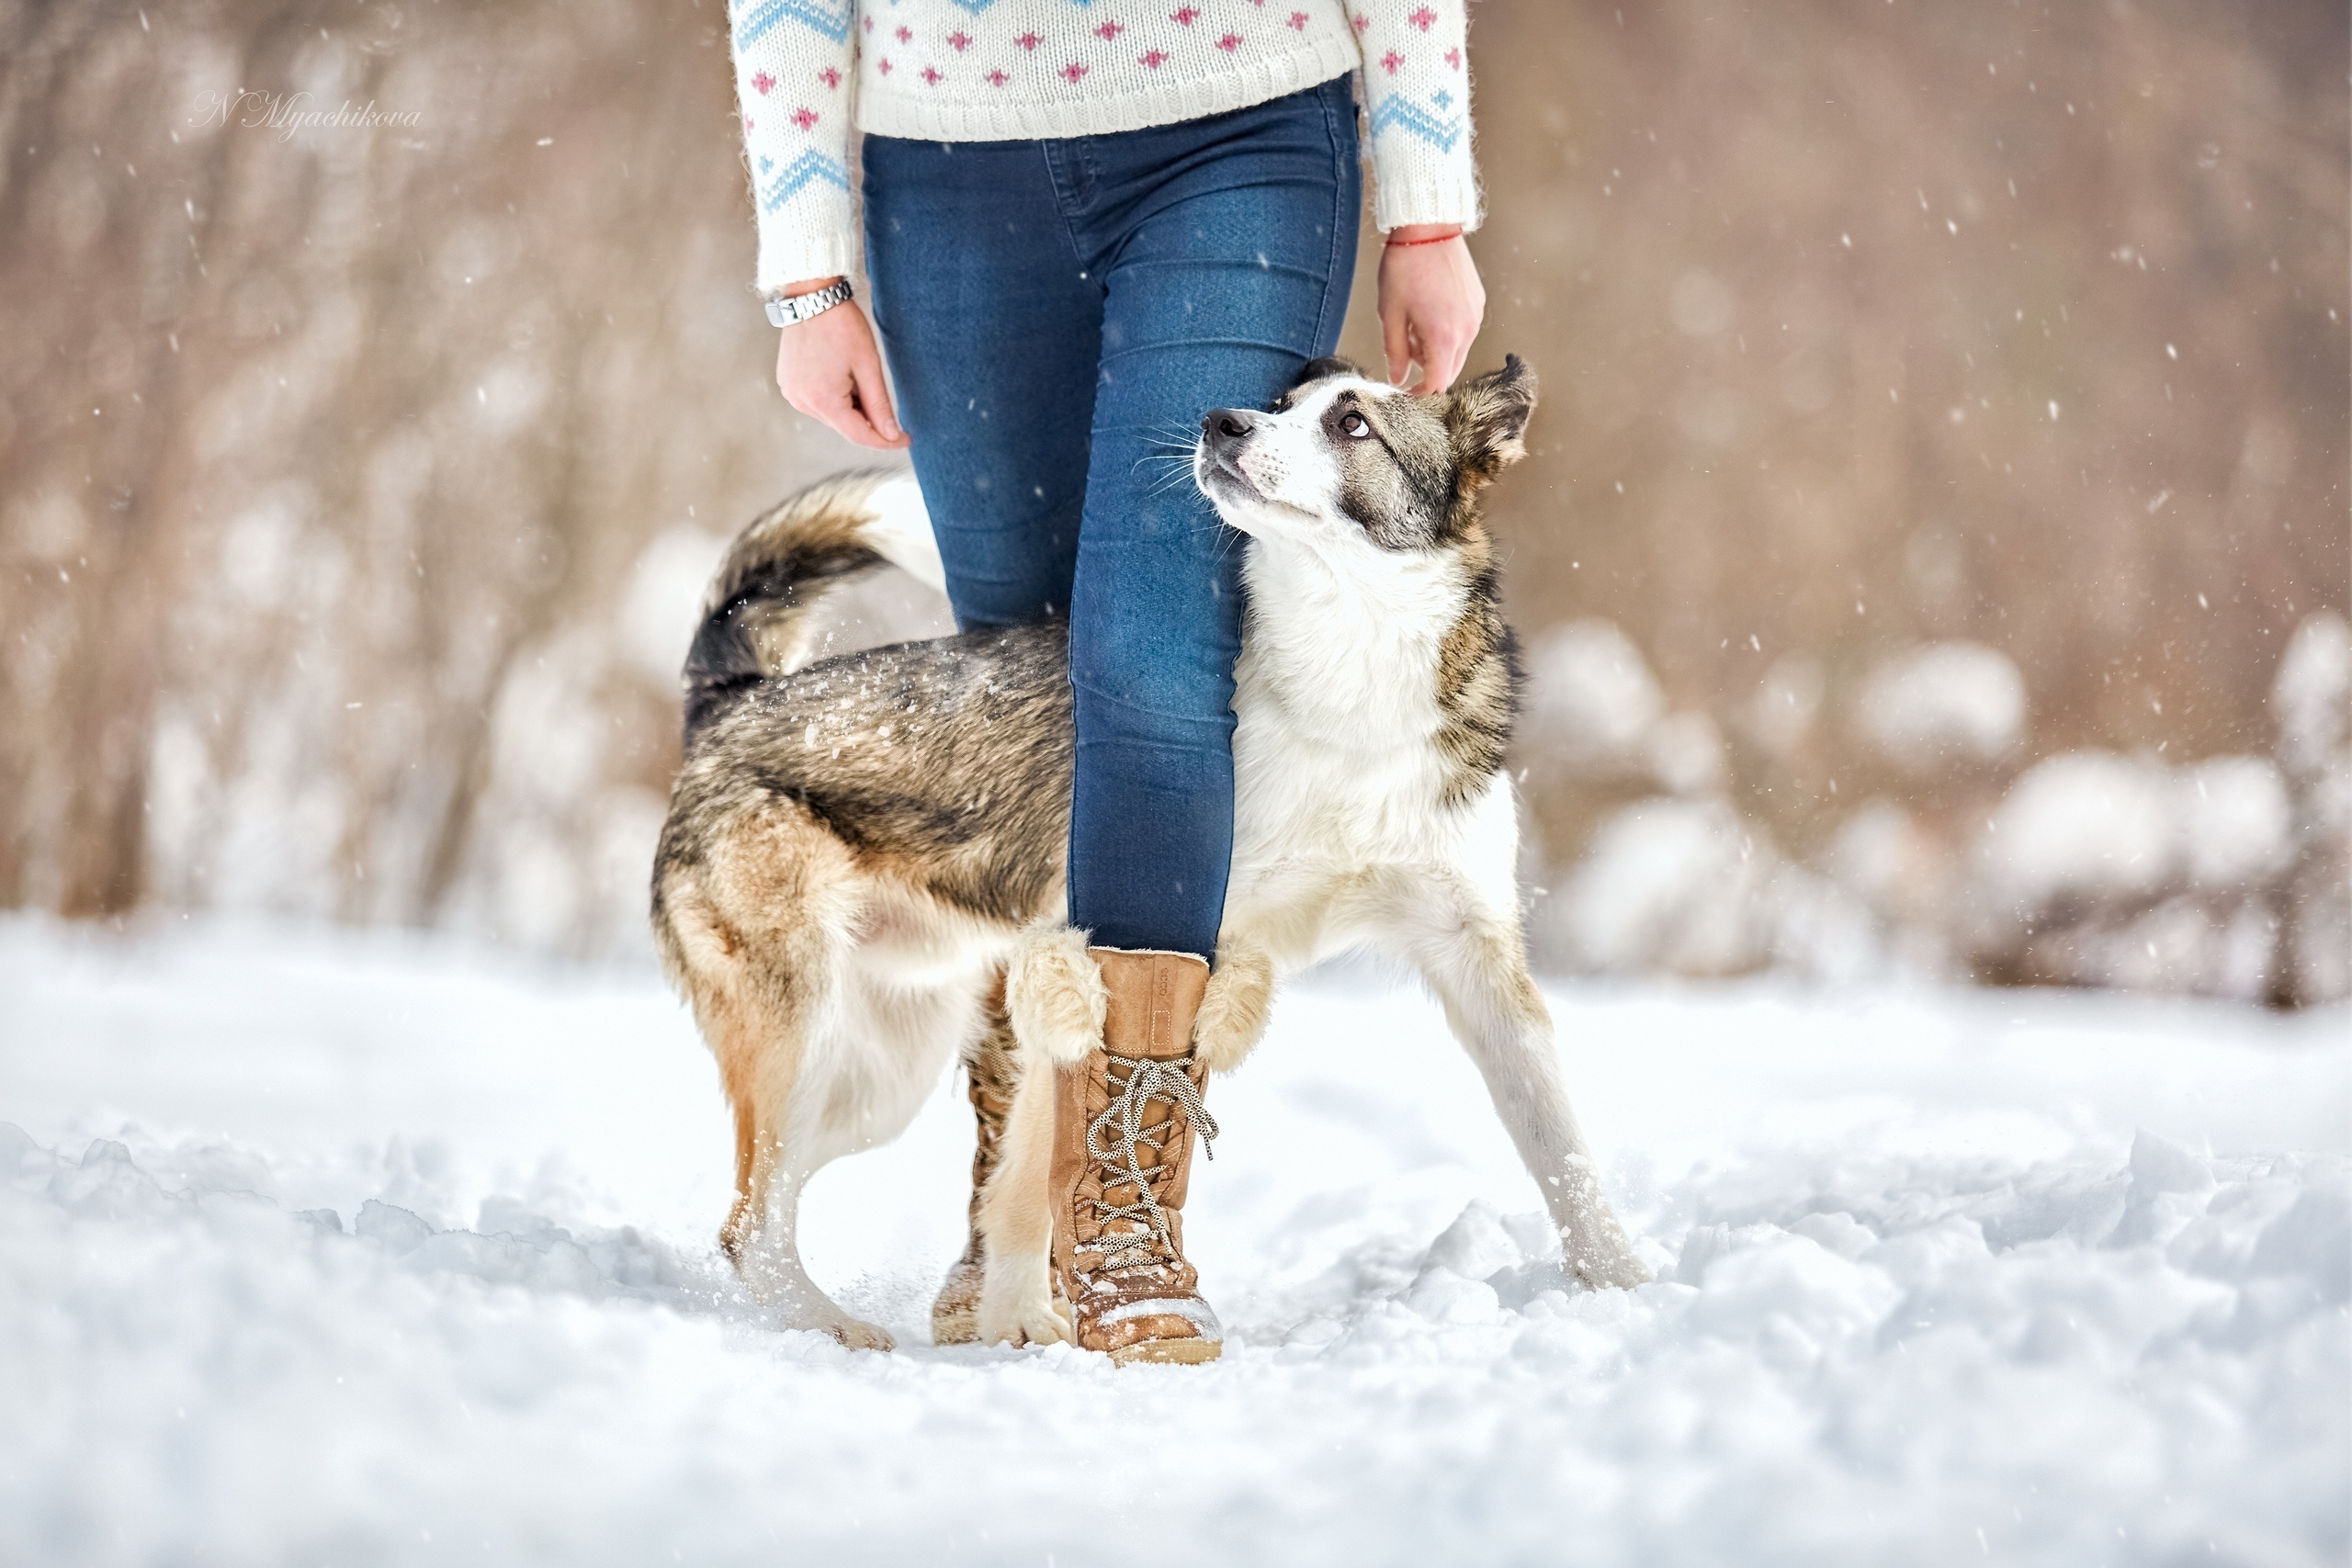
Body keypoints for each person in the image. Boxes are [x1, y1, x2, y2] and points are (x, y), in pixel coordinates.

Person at [725, 0, 1487, 1362]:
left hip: (1238, 120)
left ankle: (1123, 1206)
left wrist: (1427, 206)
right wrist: (806, 266)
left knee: (1151, 663)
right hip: (947, 163)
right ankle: (1014, 1187)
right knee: (1031, 696)